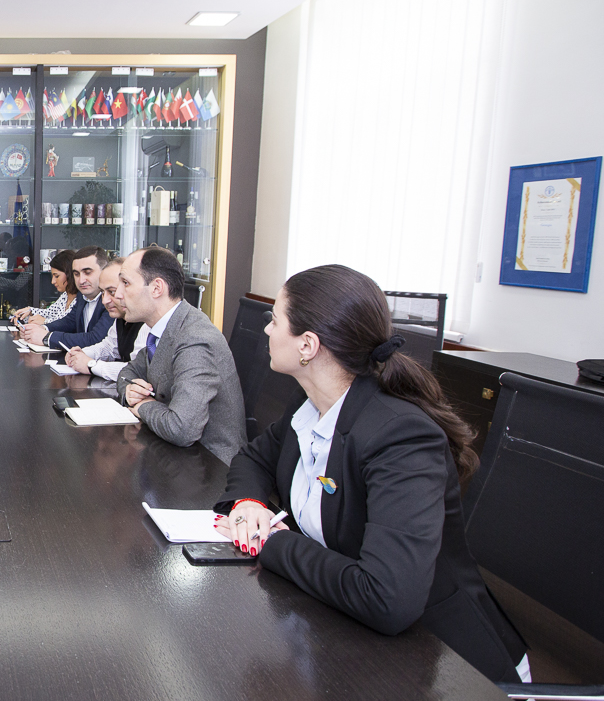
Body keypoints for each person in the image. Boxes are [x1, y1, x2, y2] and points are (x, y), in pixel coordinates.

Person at [213, 264, 528, 684]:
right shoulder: (311, 403)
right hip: (342, 629)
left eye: (275, 320)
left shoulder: (401, 437)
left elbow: (387, 598)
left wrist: (274, 543)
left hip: (447, 665)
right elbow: (254, 457)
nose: (267, 329)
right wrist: (250, 503)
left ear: (307, 345)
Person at [114, 247, 246, 463]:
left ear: (157, 288)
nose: (118, 294)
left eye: (126, 283)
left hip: (210, 465)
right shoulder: (163, 329)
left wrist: (143, 405)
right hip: (173, 452)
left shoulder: (194, 339)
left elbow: (182, 429)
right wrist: (129, 391)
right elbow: (127, 372)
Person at [64, 257, 147, 381]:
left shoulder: (148, 322)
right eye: (103, 292)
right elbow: (109, 347)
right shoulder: (121, 318)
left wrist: (91, 365)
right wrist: (82, 354)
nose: (104, 301)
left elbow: (137, 371)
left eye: (112, 292)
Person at [22, 245, 111, 350]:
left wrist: (47, 337)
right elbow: (69, 321)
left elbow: (95, 339)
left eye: (87, 273)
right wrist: (41, 329)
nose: (81, 280)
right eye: (76, 274)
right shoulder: (82, 296)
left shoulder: (111, 301)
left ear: (104, 271)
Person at [12, 249, 77, 325]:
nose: (53, 281)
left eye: (56, 276)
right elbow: (48, 313)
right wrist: (29, 311)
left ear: (70, 274)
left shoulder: (81, 300)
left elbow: (68, 324)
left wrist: (45, 321)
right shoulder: (65, 296)